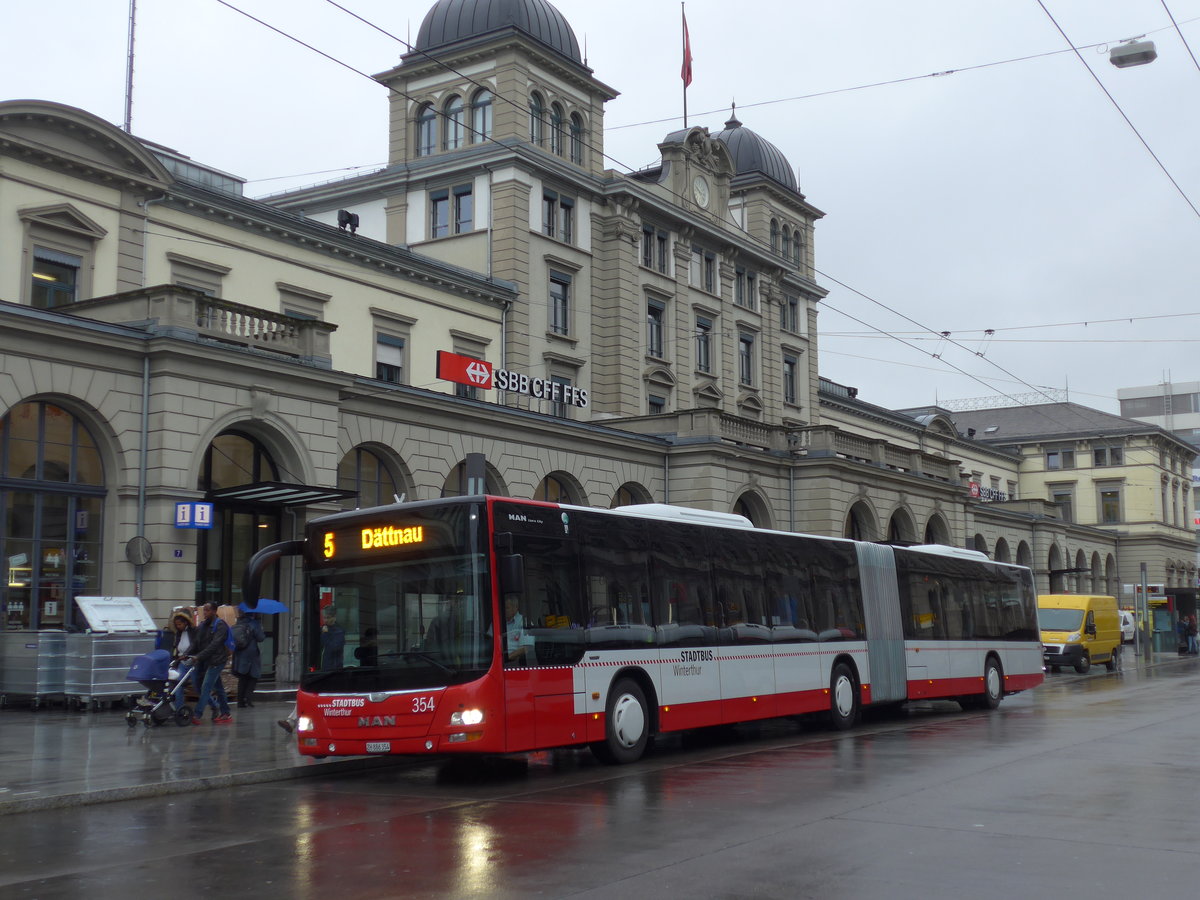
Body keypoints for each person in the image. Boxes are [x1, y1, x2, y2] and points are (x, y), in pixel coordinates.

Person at [187, 601, 233, 724]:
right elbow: (196, 643)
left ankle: (197, 715)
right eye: (204, 611)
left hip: (217, 661)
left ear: (214, 611)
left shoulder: (220, 625)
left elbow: (214, 645)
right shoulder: (203, 625)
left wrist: (198, 657)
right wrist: (185, 654)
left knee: (206, 686)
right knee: (218, 688)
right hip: (208, 660)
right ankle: (226, 713)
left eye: (207, 610)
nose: (205, 613)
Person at [159, 607, 198, 698]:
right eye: (177, 625)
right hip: (182, 662)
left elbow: (194, 645)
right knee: (178, 684)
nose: (178, 626)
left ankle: (213, 705)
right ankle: (179, 708)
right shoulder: (178, 634)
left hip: (192, 661)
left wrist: (186, 655)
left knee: (197, 686)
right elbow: (176, 648)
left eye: (180, 624)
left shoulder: (194, 632)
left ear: (185, 623)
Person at [231, 610, 266, 707]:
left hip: (240, 653)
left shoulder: (238, 622)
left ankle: (240, 701)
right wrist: (261, 628)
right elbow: (261, 638)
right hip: (251, 654)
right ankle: (248, 698)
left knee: (242, 678)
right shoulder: (254, 623)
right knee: (254, 676)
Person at [320, 606, 345, 671]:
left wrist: (325, 634)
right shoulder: (324, 629)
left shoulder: (339, 631)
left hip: (334, 667)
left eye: (328, 618)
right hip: (325, 666)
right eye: (324, 618)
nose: (325, 620)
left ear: (334, 617)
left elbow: (333, 647)